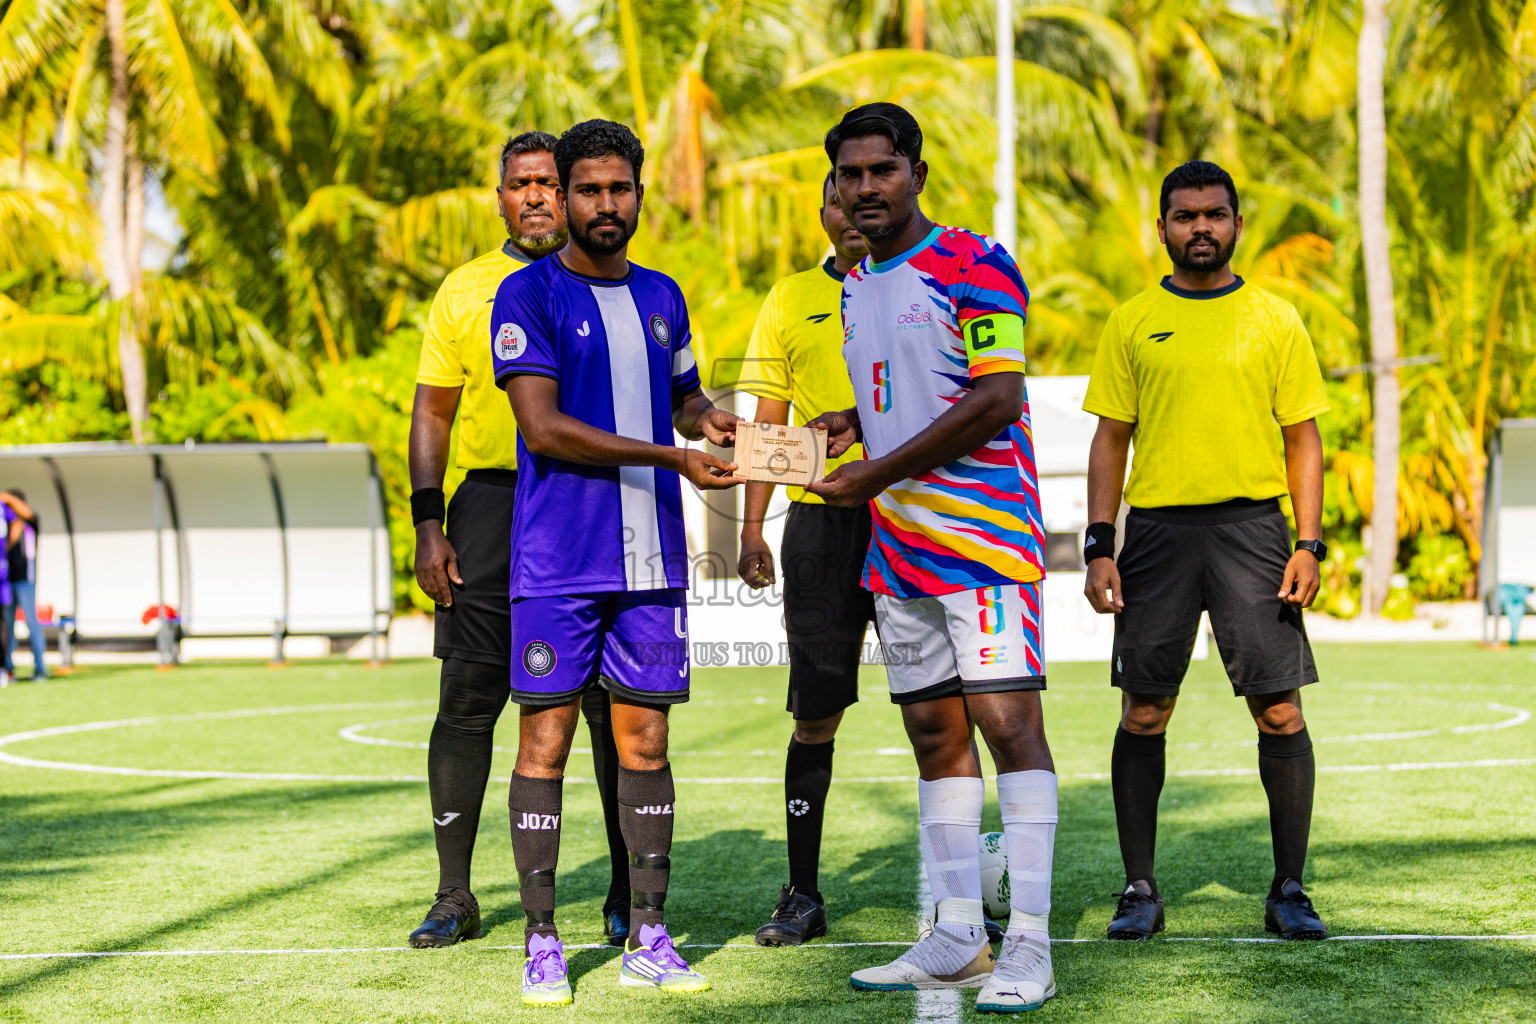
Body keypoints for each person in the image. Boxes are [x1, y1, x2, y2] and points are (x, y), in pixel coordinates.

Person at [807, 102, 1058, 1014]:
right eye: (850, 174)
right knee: (933, 736)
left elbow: (997, 398)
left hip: (986, 543)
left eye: (882, 169)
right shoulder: (853, 283)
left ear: (917, 173)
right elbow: (906, 389)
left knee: (1007, 725)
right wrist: (852, 423)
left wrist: (875, 469)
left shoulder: (975, 262)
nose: (865, 187)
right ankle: (958, 935)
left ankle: (1029, 942)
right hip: (900, 553)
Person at [492, 118, 742, 1006]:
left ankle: (648, 935)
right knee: (546, 742)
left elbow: (683, 398)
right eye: (588, 190)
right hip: (559, 561)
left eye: (619, 189)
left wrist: (711, 421)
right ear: (562, 197)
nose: (606, 204)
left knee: (647, 741)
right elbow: (542, 428)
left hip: (651, 558)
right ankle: (542, 941)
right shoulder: (527, 295)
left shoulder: (664, 294)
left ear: (639, 193)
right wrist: (675, 456)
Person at [1082, 160, 1330, 942]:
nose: (1201, 228)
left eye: (1214, 214)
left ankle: (1289, 888)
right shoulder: (1131, 320)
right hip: (1156, 535)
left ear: (1236, 224)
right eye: (1185, 216)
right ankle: (1139, 889)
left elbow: (1304, 438)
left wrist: (1309, 542)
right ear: (1162, 227)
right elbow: (1110, 438)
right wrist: (1099, 545)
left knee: (1280, 710)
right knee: (1144, 711)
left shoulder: (1274, 318)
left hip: (1254, 533)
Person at [407, 130, 632, 950]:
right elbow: (432, 413)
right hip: (492, 509)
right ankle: (454, 895)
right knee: (468, 699)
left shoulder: (616, 285)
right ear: (501, 197)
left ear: (571, 193)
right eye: (520, 183)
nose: (536, 195)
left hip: (590, 501)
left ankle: (625, 892)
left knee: (608, 705)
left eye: (549, 182)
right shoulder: (466, 289)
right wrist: (428, 521)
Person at [735, 171, 873, 946]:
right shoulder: (790, 298)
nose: (851, 210)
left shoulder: (928, 284)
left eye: (864, 193)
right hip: (821, 527)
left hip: (917, 518)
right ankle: (803, 892)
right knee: (815, 713)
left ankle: (965, 894)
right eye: (836, 200)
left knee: (944, 708)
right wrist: (752, 528)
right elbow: (769, 421)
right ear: (823, 212)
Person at [1, 491, 45, 681]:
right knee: (6, 626)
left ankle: (40, 668)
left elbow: (28, 513)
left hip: (26, 581)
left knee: (32, 624)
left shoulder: (30, 523)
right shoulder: (6, 526)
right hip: (7, 582)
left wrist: (6, 497)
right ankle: (8, 668)